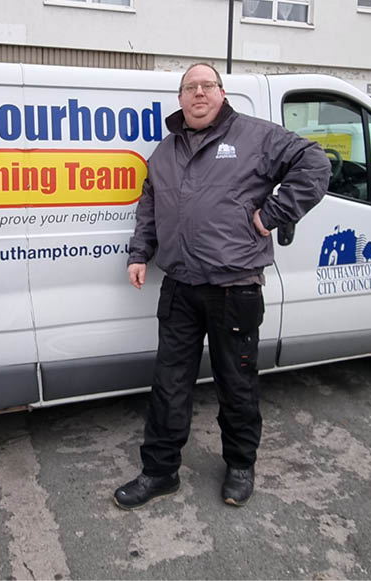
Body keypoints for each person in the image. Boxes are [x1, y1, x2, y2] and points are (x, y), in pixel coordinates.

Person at [114, 63, 330, 510]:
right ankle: (159, 472)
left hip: (235, 288)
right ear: (180, 99)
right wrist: (139, 253)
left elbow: (315, 164)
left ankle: (239, 466)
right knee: (169, 383)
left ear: (221, 92)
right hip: (180, 286)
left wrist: (271, 215)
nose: (198, 94)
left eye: (206, 86)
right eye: (190, 88)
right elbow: (149, 204)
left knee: (237, 382)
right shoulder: (166, 150)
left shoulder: (256, 136)